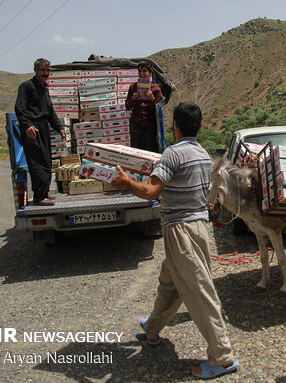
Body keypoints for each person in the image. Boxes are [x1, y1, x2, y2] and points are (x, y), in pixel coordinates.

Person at [111, 102, 238, 379]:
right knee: (169, 282)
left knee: (199, 289)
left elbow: (150, 191)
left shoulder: (172, 154)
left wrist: (127, 183)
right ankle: (153, 328)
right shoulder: (203, 154)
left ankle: (222, 356)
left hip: (180, 231)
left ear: (175, 126)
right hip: (198, 228)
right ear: (200, 126)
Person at [14, 58, 66, 206]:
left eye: (48, 70)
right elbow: (20, 108)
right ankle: (38, 196)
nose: (46, 73)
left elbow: (50, 112)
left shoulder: (45, 89)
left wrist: (60, 128)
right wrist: (27, 125)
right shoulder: (26, 86)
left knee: (46, 160)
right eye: (43, 70)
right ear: (36, 70)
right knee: (37, 162)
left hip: (43, 127)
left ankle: (44, 192)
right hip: (32, 129)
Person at [125, 62, 162, 152]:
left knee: (150, 149)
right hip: (136, 123)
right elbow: (127, 106)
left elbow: (158, 110)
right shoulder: (133, 87)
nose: (141, 74)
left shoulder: (156, 89)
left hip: (150, 124)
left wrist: (152, 99)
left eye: (144, 71)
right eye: (140, 71)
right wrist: (133, 98)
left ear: (150, 73)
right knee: (136, 149)